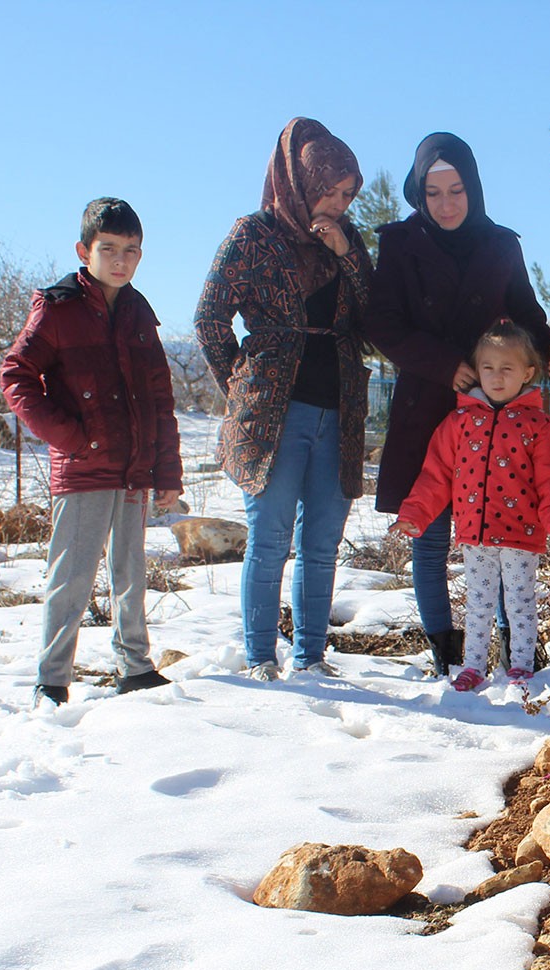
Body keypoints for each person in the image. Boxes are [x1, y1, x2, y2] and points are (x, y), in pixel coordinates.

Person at [364, 132, 550, 677]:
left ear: (473, 189)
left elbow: (526, 308)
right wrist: (444, 364)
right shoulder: (400, 244)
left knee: (505, 534)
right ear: (419, 193)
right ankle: (445, 649)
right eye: (434, 192)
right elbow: (382, 322)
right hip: (426, 405)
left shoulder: (501, 244)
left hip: (499, 405)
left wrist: (549, 348)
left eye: (456, 190)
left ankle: (513, 648)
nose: (447, 203)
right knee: (430, 541)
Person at [195, 117, 370, 681]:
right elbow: (209, 318)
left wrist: (346, 253)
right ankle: (259, 658)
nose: (338, 203)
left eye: (348, 194)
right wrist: (242, 386)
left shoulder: (350, 241)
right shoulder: (253, 234)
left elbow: (376, 318)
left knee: (321, 545)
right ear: (299, 180)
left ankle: (312, 657)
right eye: (330, 190)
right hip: (271, 417)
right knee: (269, 541)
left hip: (339, 410)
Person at [0, 196, 182, 707]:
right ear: (84, 251)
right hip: (84, 469)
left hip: (134, 467)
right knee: (72, 577)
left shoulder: (140, 311)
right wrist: (69, 439)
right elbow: (15, 375)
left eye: (132, 250)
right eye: (109, 249)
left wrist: (167, 468)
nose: (121, 260)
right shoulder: (57, 308)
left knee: (131, 573)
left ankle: (136, 667)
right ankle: (52, 680)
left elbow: (159, 395)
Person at [393, 321, 550, 689]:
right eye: (488, 368)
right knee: (477, 605)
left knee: (520, 602)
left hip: (520, 535)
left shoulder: (541, 427)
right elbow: (436, 476)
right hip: (473, 535)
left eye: (507, 368)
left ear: (528, 373)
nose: (496, 377)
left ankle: (521, 666)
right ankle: (473, 667)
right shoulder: (458, 422)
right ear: (476, 370)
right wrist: (414, 514)